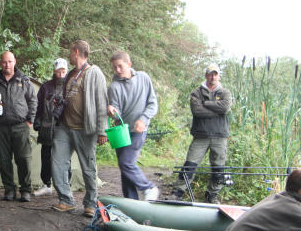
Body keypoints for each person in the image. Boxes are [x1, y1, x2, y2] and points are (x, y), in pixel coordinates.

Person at [51, 40, 108, 217]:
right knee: (57, 163)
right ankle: (66, 200)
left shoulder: (94, 73)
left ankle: (90, 203)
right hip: (65, 128)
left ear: (76, 52)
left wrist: (102, 130)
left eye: (70, 52)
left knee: (88, 168)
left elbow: (101, 102)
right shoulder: (70, 74)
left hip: (85, 129)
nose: (69, 55)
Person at [171, 63, 233, 204]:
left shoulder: (225, 92)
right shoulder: (196, 92)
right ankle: (178, 192)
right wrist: (215, 109)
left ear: (219, 76)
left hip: (220, 136)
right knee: (190, 165)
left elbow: (225, 107)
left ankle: (212, 195)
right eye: (211, 74)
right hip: (201, 136)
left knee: (218, 169)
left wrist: (206, 103)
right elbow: (197, 110)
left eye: (215, 74)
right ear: (206, 75)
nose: (213, 77)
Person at [0, 51, 37, 202]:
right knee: (4, 159)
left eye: (10, 62)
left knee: (24, 159)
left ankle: (25, 190)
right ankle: (9, 189)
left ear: (15, 62)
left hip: (21, 126)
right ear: (1, 63)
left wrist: (30, 120)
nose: (7, 65)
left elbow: (33, 100)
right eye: (4, 62)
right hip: (1, 127)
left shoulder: (23, 80)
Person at [107, 50, 159, 201]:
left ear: (129, 64)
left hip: (138, 130)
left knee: (126, 162)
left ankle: (148, 187)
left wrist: (143, 119)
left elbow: (152, 104)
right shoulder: (114, 87)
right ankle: (132, 203)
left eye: (120, 66)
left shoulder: (143, 78)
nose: (117, 70)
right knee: (125, 170)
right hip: (120, 132)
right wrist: (112, 111)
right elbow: (117, 111)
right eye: (114, 68)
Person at [33, 58, 69, 196]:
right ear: (54, 71)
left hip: (64, 128)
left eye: (63, 71)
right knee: (46, 157)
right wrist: (37, 121)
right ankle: (46, 185)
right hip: (47, 128)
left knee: (64, 159)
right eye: (58, 71)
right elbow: (38, 107)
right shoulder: (45, 87)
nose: (61, 74)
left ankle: (65, 186)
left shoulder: (70, 87)